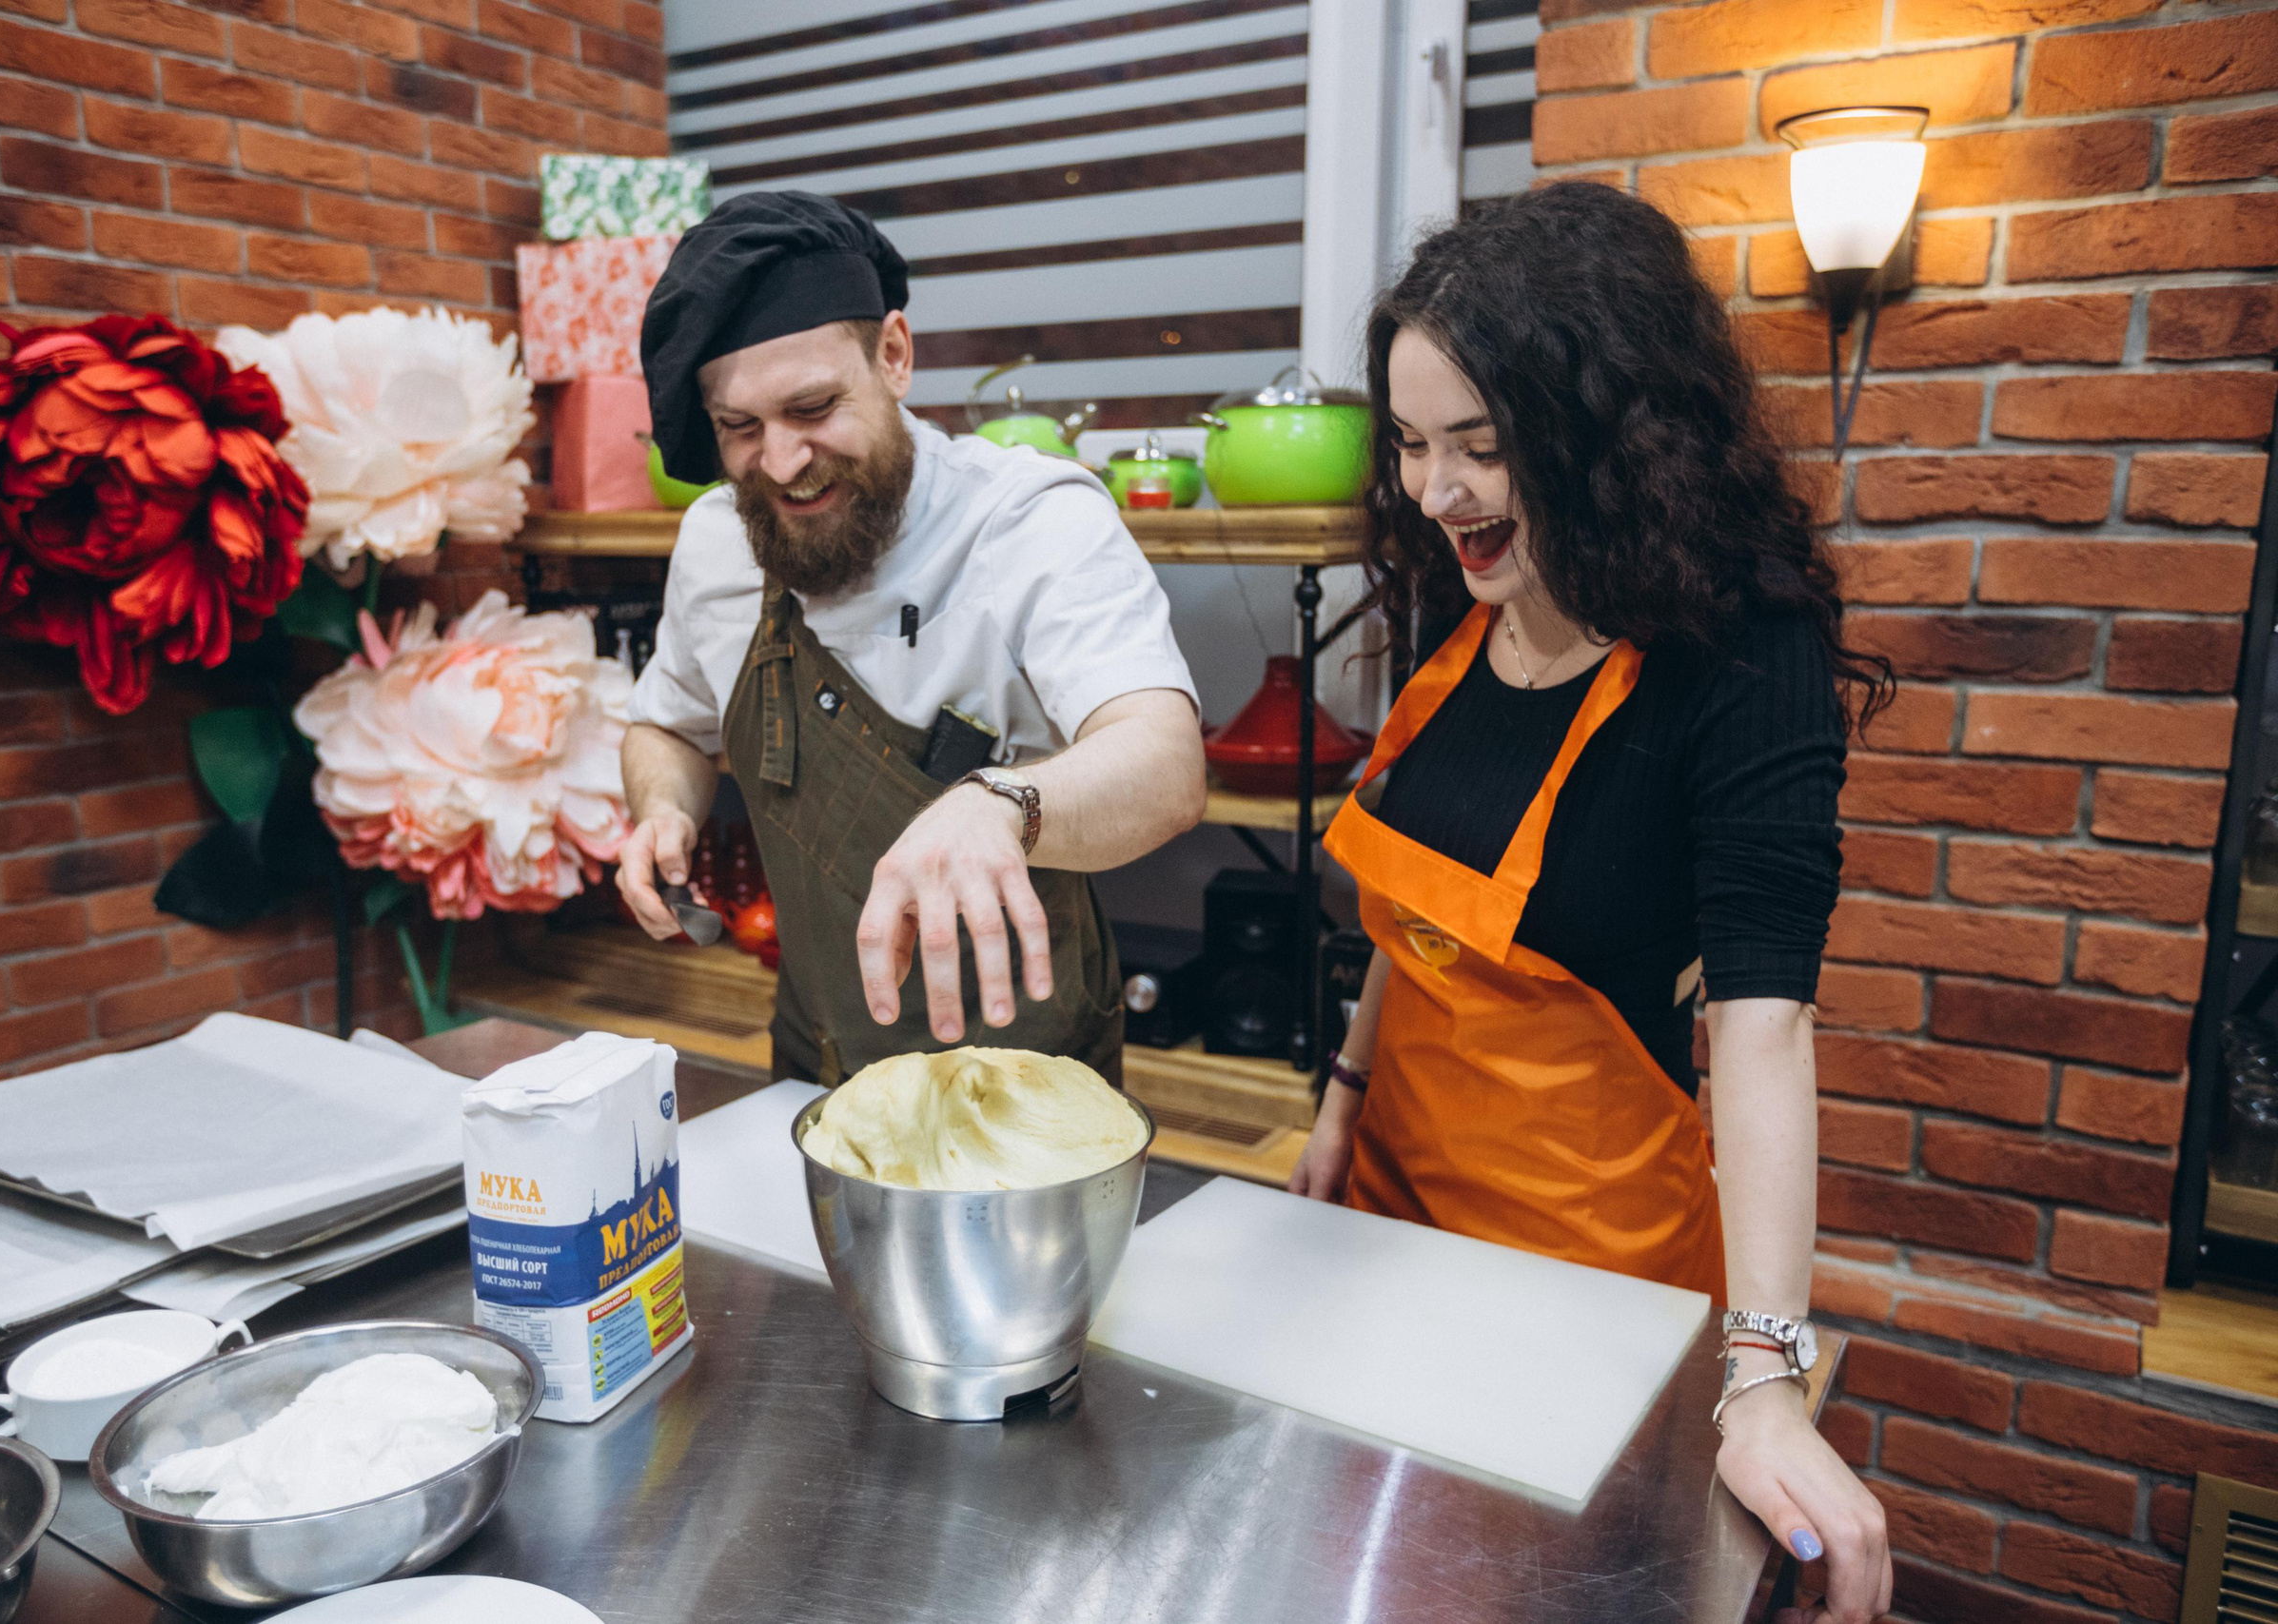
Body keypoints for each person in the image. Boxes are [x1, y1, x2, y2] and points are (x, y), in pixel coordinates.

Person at [1286, 184, 1894, 1623]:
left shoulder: (1744, 658)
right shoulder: (1471, 601)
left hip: (1595, 1300)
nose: (1438, 497)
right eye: (1417, 446)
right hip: (1386, 1239)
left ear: (1612, 433)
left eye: (1486, 451)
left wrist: (1762, 1372)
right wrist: (1339, 1097)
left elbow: (1764, 1032)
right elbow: (1411, 919)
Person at [615, 191, 1207, 1086]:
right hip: (812, 1060)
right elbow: (668, 726)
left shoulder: (1026, 518)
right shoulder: (715, 540)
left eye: (812, 407)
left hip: (1029, 1079)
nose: (780, 462)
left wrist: (999, 805)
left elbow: (1165, 765)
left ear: (894, 355)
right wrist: (666, 809)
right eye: (740, 427)